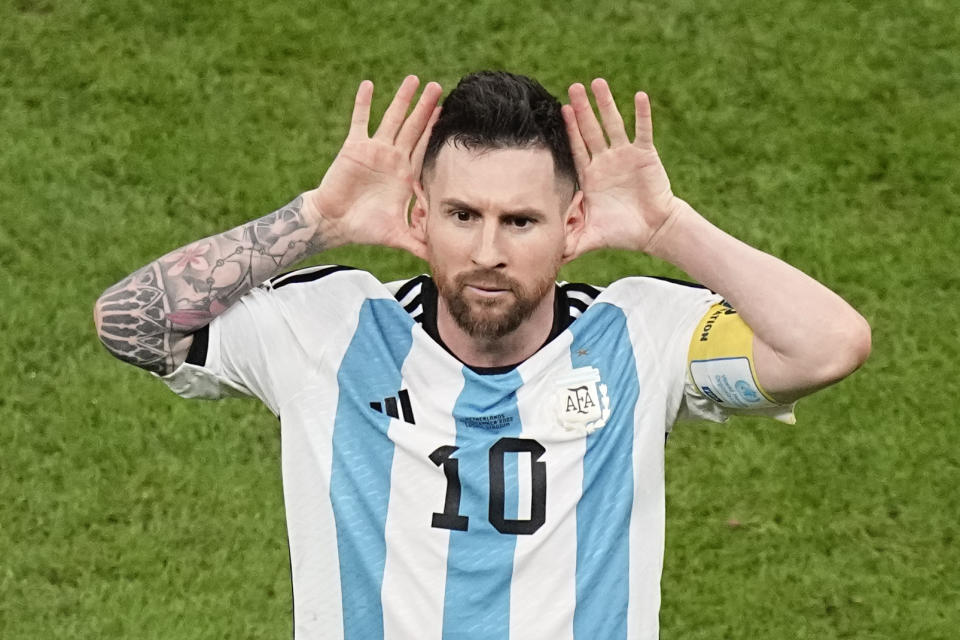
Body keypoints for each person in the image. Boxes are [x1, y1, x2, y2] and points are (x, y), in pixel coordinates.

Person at [93, 71, 871, 639]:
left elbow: (827, 345)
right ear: (421, 215)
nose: (488, 250)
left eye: (521, 221)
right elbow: (130, 322)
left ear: (572, 226)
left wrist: (669, 228)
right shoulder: (330, 330)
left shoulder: (640, 334)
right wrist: (318, 218)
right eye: (463, 215)